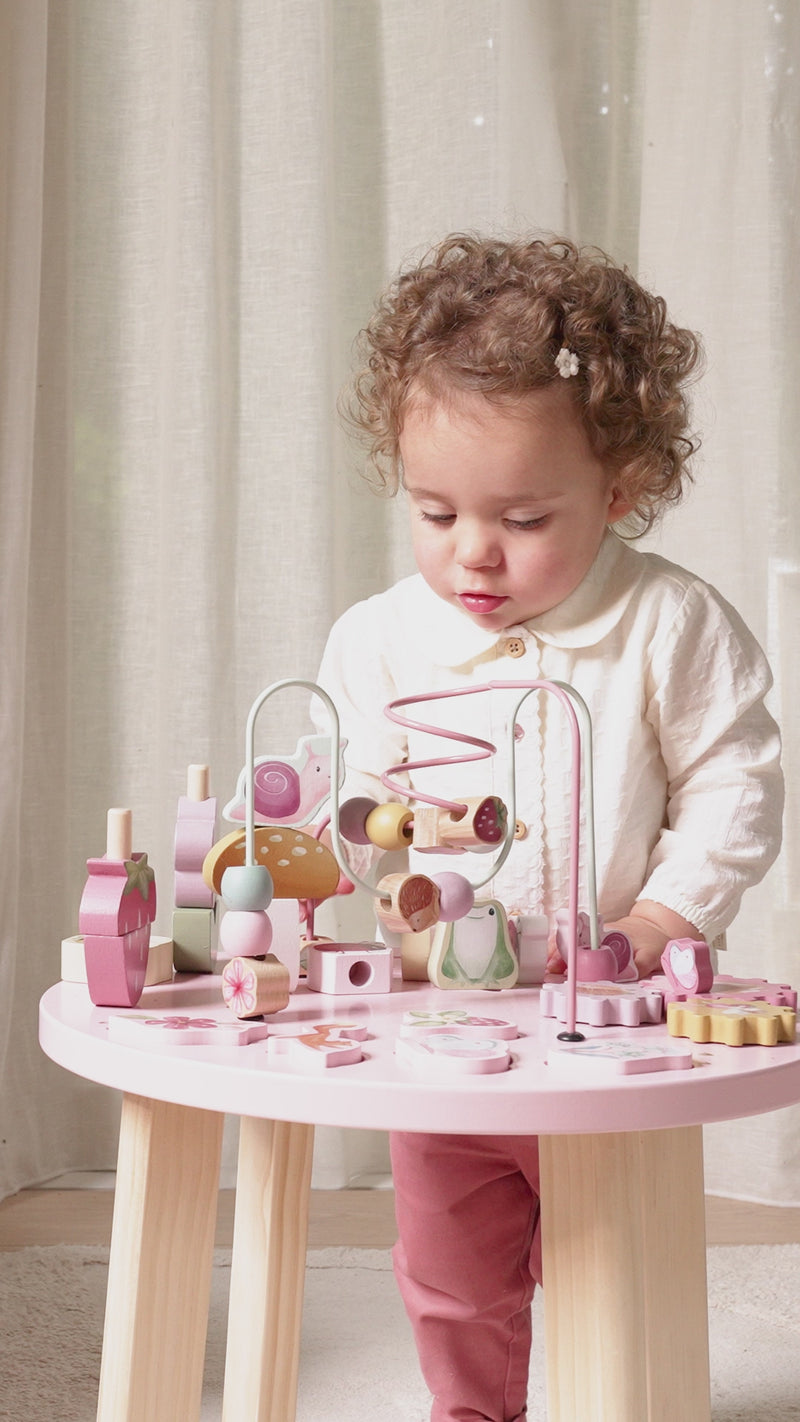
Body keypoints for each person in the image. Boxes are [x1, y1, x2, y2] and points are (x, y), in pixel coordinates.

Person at [312, 233, 784, 1422]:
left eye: (520, 518)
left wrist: (655, 918)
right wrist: (379, 836)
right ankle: (471, 1412)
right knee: (447, 1271)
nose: (470, 551)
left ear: (617, 493)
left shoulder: (668, 625)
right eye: (433, 512)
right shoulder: (381, 640)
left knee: (609, 1267)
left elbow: (735, 785)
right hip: (447, 1022)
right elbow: (348, 802)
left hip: (610, 1027)